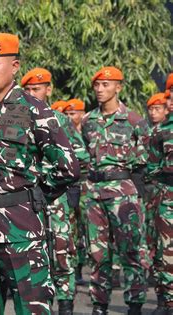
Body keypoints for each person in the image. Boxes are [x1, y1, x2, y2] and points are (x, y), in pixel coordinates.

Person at [0, 33, 79, 314]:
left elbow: (67, 167)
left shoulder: (35, 110)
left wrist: (31, 196)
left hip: (20, 232)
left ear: (15, 66)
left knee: (31, 308)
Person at [82, 66, 148, 314]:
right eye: (97, 85)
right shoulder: (88, 121)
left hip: (123, 194)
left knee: (130, 250)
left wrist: (137, 195)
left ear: (118, 87)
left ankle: (135, 304)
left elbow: (145, 162)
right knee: (98, 254)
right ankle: (99, 305)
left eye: (106, 85)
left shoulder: (134, 121)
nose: (100, 90)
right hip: (95, 194)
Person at [21, 67, 87, 314]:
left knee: (61, 249)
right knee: (33, 253)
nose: (31, 93)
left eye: (36, 89)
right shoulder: (16, 119)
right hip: (27, 198)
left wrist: (58, 181)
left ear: (48, 90)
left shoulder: (59, 121)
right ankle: (40, 302)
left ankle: (66, 302)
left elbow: (79, 155)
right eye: (27, 90)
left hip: (54, 195)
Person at [147, 74, 173, 315]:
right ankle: (168, 301)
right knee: (166, 252)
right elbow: (152, 167)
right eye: (171, 92)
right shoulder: (161, 131)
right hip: (168, 196)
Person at [63, 99, 90, 286]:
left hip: (87, 186)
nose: (70, 117)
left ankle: (83, 263)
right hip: (71, 186)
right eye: (68, 114)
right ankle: (75, 267)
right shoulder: (66, 132)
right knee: (72, 229)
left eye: (73, 113)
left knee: (85, 228)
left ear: (82, 113)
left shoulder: (89, 131)